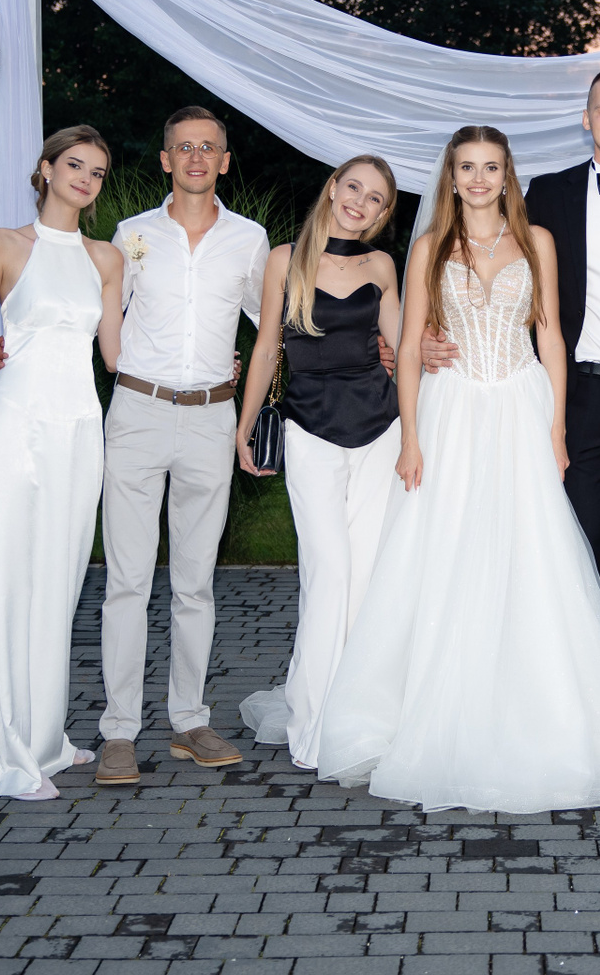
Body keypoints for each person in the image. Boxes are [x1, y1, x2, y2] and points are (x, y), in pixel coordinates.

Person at [315, 127, 600, 812]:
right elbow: (411, 348)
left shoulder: (537, 242)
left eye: (490, 168)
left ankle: (534, 704)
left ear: (507, 176)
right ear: (450, 178)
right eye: (466, 168)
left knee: (527, 551)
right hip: (450, 412)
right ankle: (432, 705)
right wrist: (410, 436)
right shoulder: (428, 247)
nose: (478, 179)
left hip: (518, 407)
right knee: (444, 549)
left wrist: (557, 428)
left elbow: (551, 336)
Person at [428, 66, 600, 758]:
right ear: (586, 120)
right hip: (576, 399)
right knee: (571, 560)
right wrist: (428, 338)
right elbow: (483, 272)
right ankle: (570, 712)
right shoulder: (548, 196)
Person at [0, 106, 270, 782]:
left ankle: (190, 721)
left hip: (211, 416)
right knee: (127, 581)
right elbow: (90, 318)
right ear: (166, 159)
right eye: (184, 147)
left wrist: (381, 346)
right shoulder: (132, 236)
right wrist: (18, 351)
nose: (197, 157)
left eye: (209, 147)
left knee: (195, 583)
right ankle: (119, 729)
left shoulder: (249, 239)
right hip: (138, 413)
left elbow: (272, 328)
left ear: (225, 160)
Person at [0, 125, 124, 800]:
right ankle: (4, 755)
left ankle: (47, 736)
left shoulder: (106, 259)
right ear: (46, 169)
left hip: (79, 430)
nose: (86, 178)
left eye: (97, 172)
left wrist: (201, 364)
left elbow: (116, 354)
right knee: (7, 583)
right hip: (14, 428)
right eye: (75, 165)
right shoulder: (2, 246)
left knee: (60, 580)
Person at [234, 156, 403, 770]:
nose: (360, 201)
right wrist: (244, 425)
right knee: (328, 574)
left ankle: (359, 714)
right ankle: (314, 720)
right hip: (309, 430)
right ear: (333, 189)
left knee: (365, 576)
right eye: (352, 186)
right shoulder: (285, 260)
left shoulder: (381, 265)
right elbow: (266, 348)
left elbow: (404, 345)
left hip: (381, 430)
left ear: (383, 213)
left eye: (375, 197)